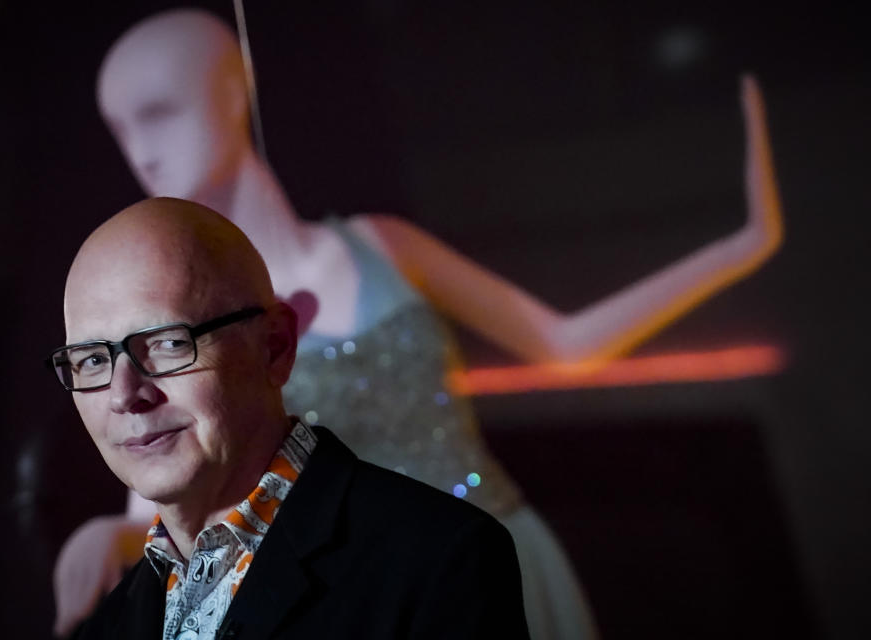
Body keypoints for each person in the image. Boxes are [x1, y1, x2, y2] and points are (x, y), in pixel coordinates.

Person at [54, 8, 783, 638]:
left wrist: (738, 248)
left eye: (159, 111)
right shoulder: (166, 338)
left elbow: (564, 342)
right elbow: (167, 485)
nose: (140, 148)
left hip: (491, 544)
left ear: (232, 89)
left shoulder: (380, 248)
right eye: (121, 126)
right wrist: (103, 538)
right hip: (341, 593)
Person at [51, 196, 530, 639]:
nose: (124, 394)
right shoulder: (108, 624)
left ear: (275, 347)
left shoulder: (438, 562)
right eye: (92, 359)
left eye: (167, 343)